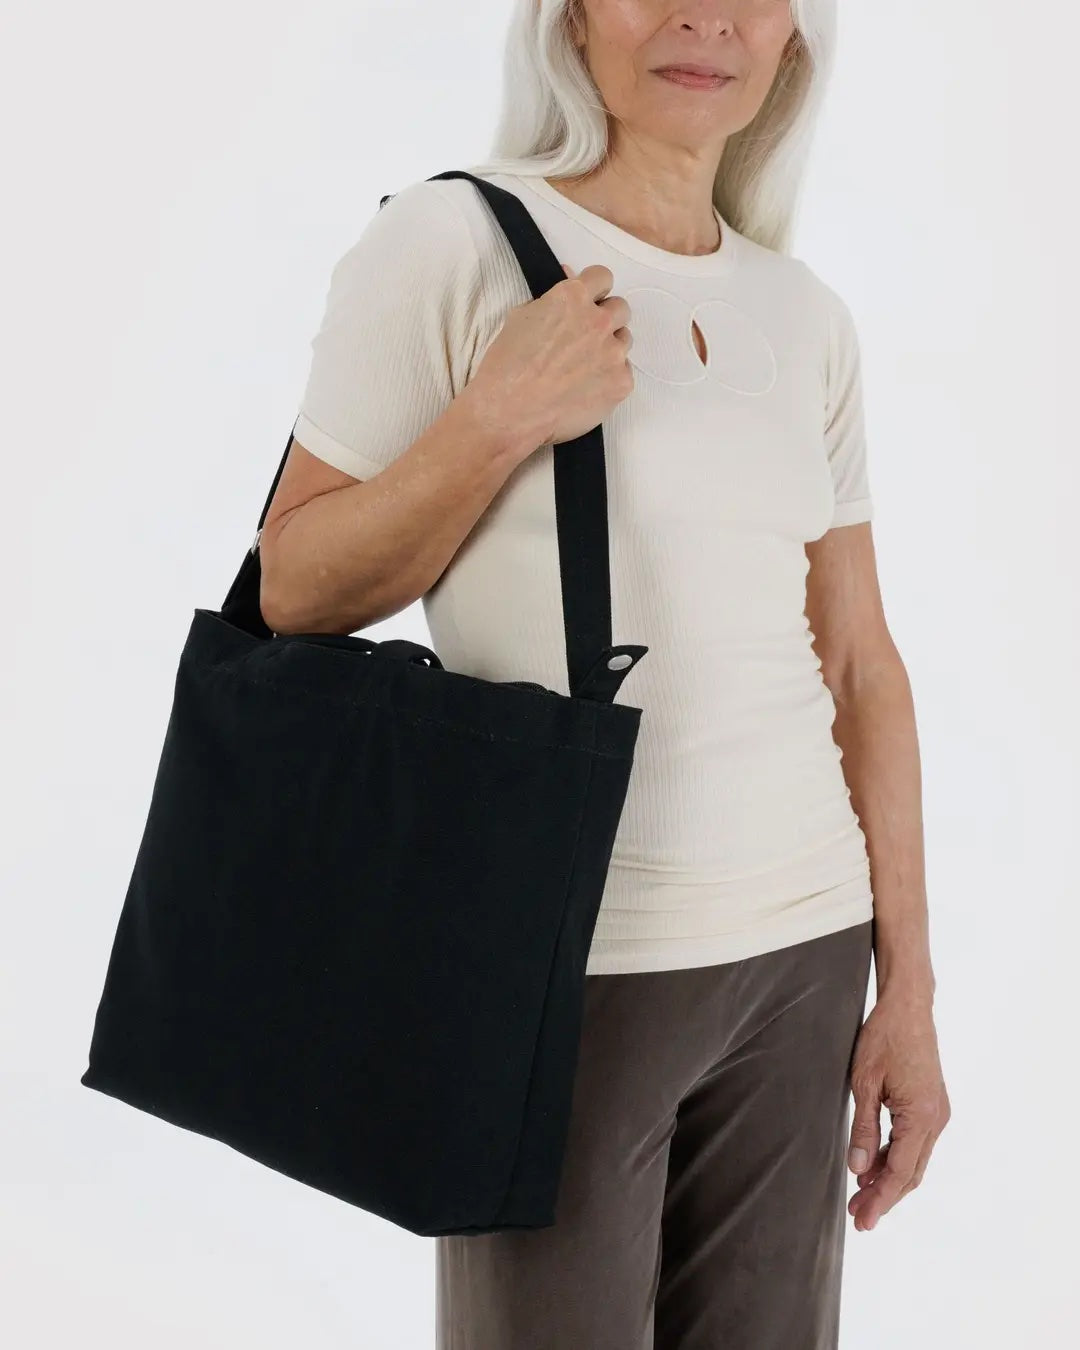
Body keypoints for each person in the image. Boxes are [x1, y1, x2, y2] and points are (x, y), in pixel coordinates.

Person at [259, 2, 951, 1346]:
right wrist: (497, 416)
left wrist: (907, 991)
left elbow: (863, 661)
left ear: (796, 36)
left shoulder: (801, 316)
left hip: (805, 955)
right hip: (560, 965)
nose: (702, 14)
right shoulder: (456, 242)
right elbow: (293, 584)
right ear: (569, 15)